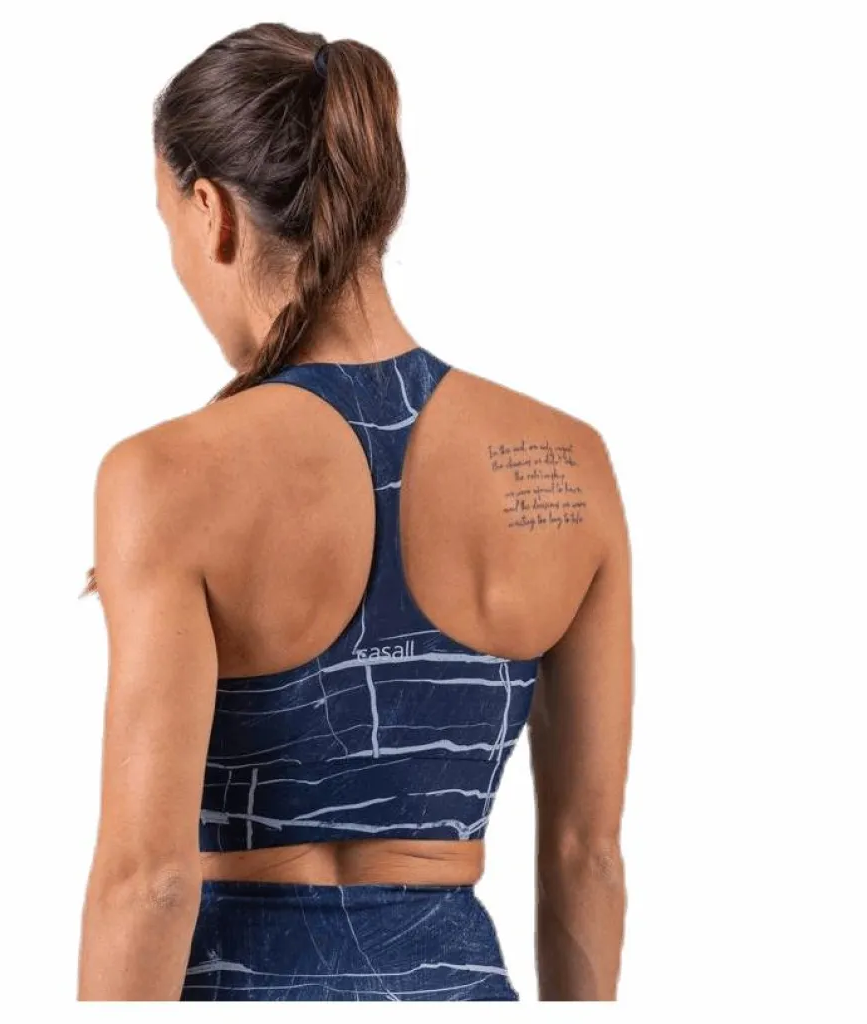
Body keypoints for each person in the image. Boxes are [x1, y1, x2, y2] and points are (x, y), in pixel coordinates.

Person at [76, 22, 632, 1002]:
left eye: (168, 226)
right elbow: (586, 855)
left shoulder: (161, 476)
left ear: (212, 214)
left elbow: (149, 882)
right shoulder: (569, 464)